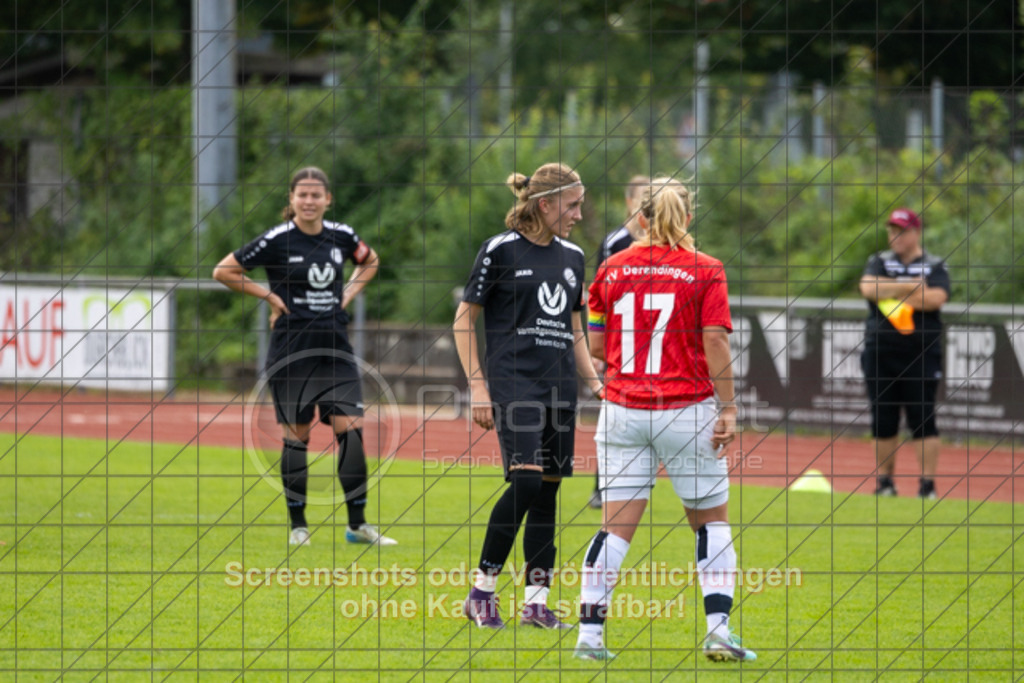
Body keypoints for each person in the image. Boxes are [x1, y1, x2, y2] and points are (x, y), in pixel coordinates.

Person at [575, 177, 756, 663]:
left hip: (622, 408)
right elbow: (716, 340)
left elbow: (594, 346)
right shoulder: (706, 269)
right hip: (685, 409)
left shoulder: (612, 267)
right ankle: (719, 631)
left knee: (614, 529)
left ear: (642, 217)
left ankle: (589, 638)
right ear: (689, 219)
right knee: (711, 524)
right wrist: (731, 407)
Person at [213, 166, 397, 547]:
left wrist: (346, 294)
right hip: (291, 353)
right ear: (291, 199)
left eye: (316, 195)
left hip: (335, 352)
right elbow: (224, 270)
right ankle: (299, 527)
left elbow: (371, 261)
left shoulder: (342, 236)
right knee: (297, 438)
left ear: (328, 199)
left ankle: (357, 525)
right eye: (303, 195)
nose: (309, 201)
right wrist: (269, 296)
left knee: (353, 432)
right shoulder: (277, 240)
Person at [453, 162, 603, 630]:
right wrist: (478, 386)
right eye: (572, 204)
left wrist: (597, 384)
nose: (579, 213)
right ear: (546, 204)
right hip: (513, 382)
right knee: (527, 481)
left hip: (560, 385)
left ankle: (537, 603)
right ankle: (482, 591)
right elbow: (463, 320)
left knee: (548, 493)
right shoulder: (499, 250)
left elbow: (574, 330)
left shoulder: (574, 257)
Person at [859, 207, 950, 499]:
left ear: (915, 232)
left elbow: (935, 299)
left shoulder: (935, 264)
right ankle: (885, 483)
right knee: (882, 418)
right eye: (891, 230)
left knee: (922, 417)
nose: (894, 236)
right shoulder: (878, 261)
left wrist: (892, 289)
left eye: (901, 230)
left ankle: (927, 486)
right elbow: (868, 288)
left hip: (922, 353)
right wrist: (910, 286)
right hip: (880, 352)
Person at [587, 175, 651, 510]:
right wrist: (599, 346)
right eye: (642, 195)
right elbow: (598, 294)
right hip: (618, 343)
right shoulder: (615, 243)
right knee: (614, 411)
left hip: (651, 341)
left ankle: (639, 481)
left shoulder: (663, 242)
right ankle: (602, 486)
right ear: (630, 201)